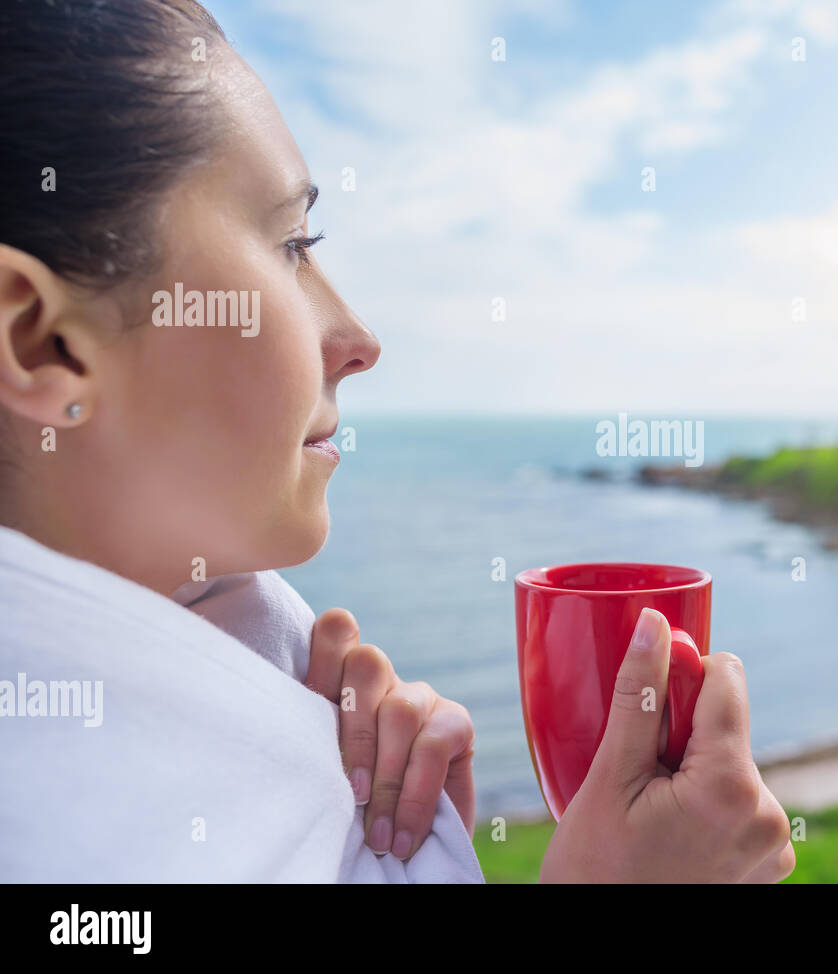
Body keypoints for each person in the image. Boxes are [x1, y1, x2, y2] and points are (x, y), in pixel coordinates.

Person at [0, 0, 795, 883]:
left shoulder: (262, 685)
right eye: (292, 244)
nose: (360, 339)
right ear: (43, 341)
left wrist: (396, 848)